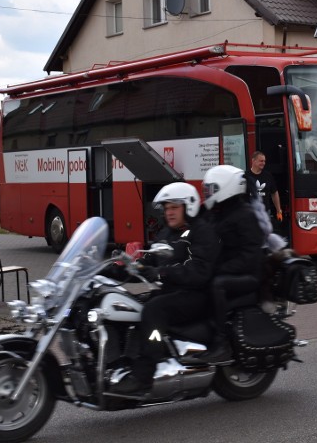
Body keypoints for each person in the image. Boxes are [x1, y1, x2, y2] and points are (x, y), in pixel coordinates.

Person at [112, 182, 221, 395]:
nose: (168, 212)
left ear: (188, 206)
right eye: (166, 208)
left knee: (154, 311)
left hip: (197, 294)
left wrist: (163, 273)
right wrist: (115, 271)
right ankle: (122, 362)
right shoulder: (166, 234)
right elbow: (149, 262)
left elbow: (200, 269)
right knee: (128, 305)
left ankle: (143, 376)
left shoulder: (202, 231)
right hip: (173, 291)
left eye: (173, 207)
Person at [202, 164, 270, 358]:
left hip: (249, 275)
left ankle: (221, 342)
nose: (208, 193)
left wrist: (218, 269)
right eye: (207, 189)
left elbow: (250, 255)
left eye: (212, 189)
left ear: (227, 187)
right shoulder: (217, 212)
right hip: (231, 269)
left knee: (217, 285)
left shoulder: (245, 215)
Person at [246, 150, 282, 226]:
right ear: (253, 161)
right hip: (250, 214)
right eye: (261, 161)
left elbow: (274, 193)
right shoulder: (246, 176)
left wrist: (279, 211)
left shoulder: (268, 176)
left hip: (265, 214)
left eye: (264, 161)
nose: (263, 163)